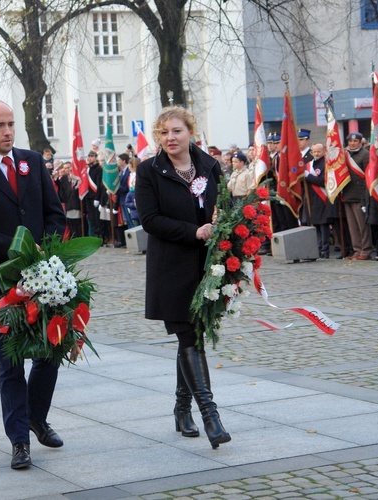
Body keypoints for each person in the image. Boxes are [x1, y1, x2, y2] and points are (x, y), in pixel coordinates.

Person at [0, 100, 66, 470]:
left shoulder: (32, 162)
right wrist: (19, 250)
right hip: (4, 281)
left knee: (51, 352)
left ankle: (35, 415)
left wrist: (46, 248)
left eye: (10, 124)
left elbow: (54, 211)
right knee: (11, 361)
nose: (7, 131)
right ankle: (19, 440)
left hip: (45, 276)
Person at [135, 106, 231, 452]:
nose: (170, 138)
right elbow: (150, 219)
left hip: (207, 267)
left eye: (176, 131)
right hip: (171, 267)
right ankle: (210, 415)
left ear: (191, 132)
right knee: (189, 337)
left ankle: (181, 409)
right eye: (163, 133)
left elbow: (224, 206)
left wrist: (224, 229)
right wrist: (195, 232)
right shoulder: (148, 170)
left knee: (192, 336)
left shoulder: (209, 166)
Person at [343, 132, 373, 260]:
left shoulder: (365, 155)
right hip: (347, 194)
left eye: (355, 141)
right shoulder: (345, 155)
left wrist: (366, 196)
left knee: (362, 225)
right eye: (350, 141)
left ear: (361, 142)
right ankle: (357, 250)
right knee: (353, 226)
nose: (352, 143)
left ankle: (365, 250)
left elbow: (368, 176)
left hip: (360, 195)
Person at [301, 144, 332, 259]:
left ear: (324, 151)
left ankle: (325, 250)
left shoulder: (325, 164)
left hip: (322, 199)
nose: (316, 154)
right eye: (314, 152)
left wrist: (308, 176)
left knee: (323, 225)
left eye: (318, 151)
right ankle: (318, 248)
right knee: (316, 225)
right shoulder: (309, 164)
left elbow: (322, 181)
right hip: (311, 198)